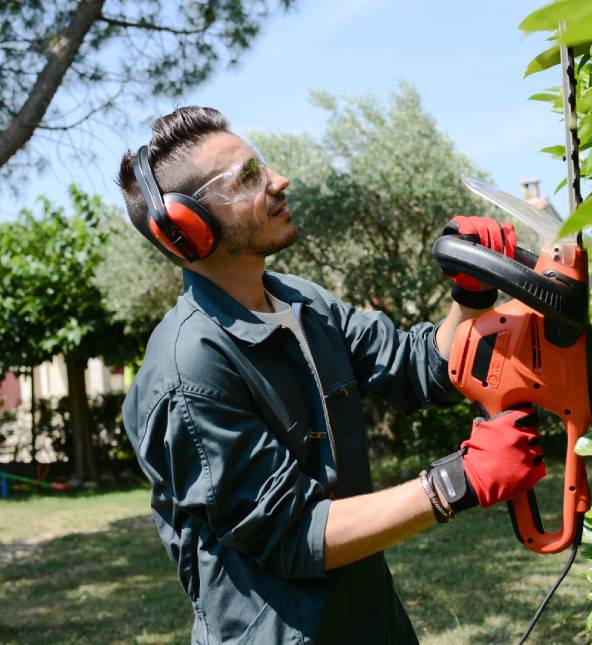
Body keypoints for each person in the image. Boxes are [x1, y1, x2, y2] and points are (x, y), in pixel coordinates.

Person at [117, 106, 546, 644]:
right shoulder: (188, 369)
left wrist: (470, 295)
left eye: (263, 165)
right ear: (188, 228)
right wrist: (455, 483)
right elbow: (294, 533)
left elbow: (418, 366)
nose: (278, 181)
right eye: (248, 177)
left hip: (372, 622)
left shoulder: (303, 303)